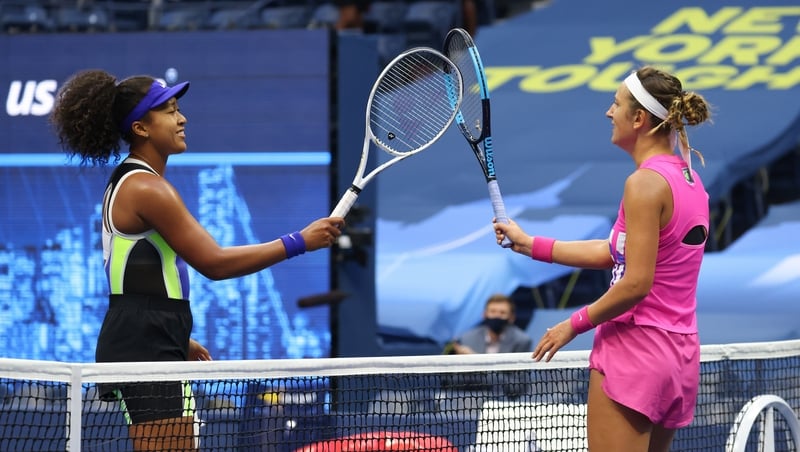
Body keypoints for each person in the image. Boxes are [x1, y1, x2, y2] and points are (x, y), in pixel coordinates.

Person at [49, 69, 344, 451]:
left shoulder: (134, 181)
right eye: (169, 111)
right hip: (145, 349)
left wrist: (175, 334)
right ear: (140, 128)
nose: (182, 118)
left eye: (178, 108)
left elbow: (138, 277)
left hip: (151, 340)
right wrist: (298, 241)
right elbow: (214, 263)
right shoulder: (147, 188)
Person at [494, 66, 712, 451]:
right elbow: (617, 252)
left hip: (634, 349)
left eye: (615, 104)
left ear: (640, 119)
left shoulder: (643, 184)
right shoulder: (688, 179)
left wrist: (573, 325)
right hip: (678, 357)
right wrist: (530, 244)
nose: (608, 113)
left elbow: (635, 282)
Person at [445, 293, 533, 354]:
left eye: (502, 313)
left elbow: (518, 380)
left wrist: (476, 361)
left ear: (511, 318)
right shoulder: (467, 339)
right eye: (493, 312)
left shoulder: (522, 341)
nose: (497, 316)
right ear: (484, 314)